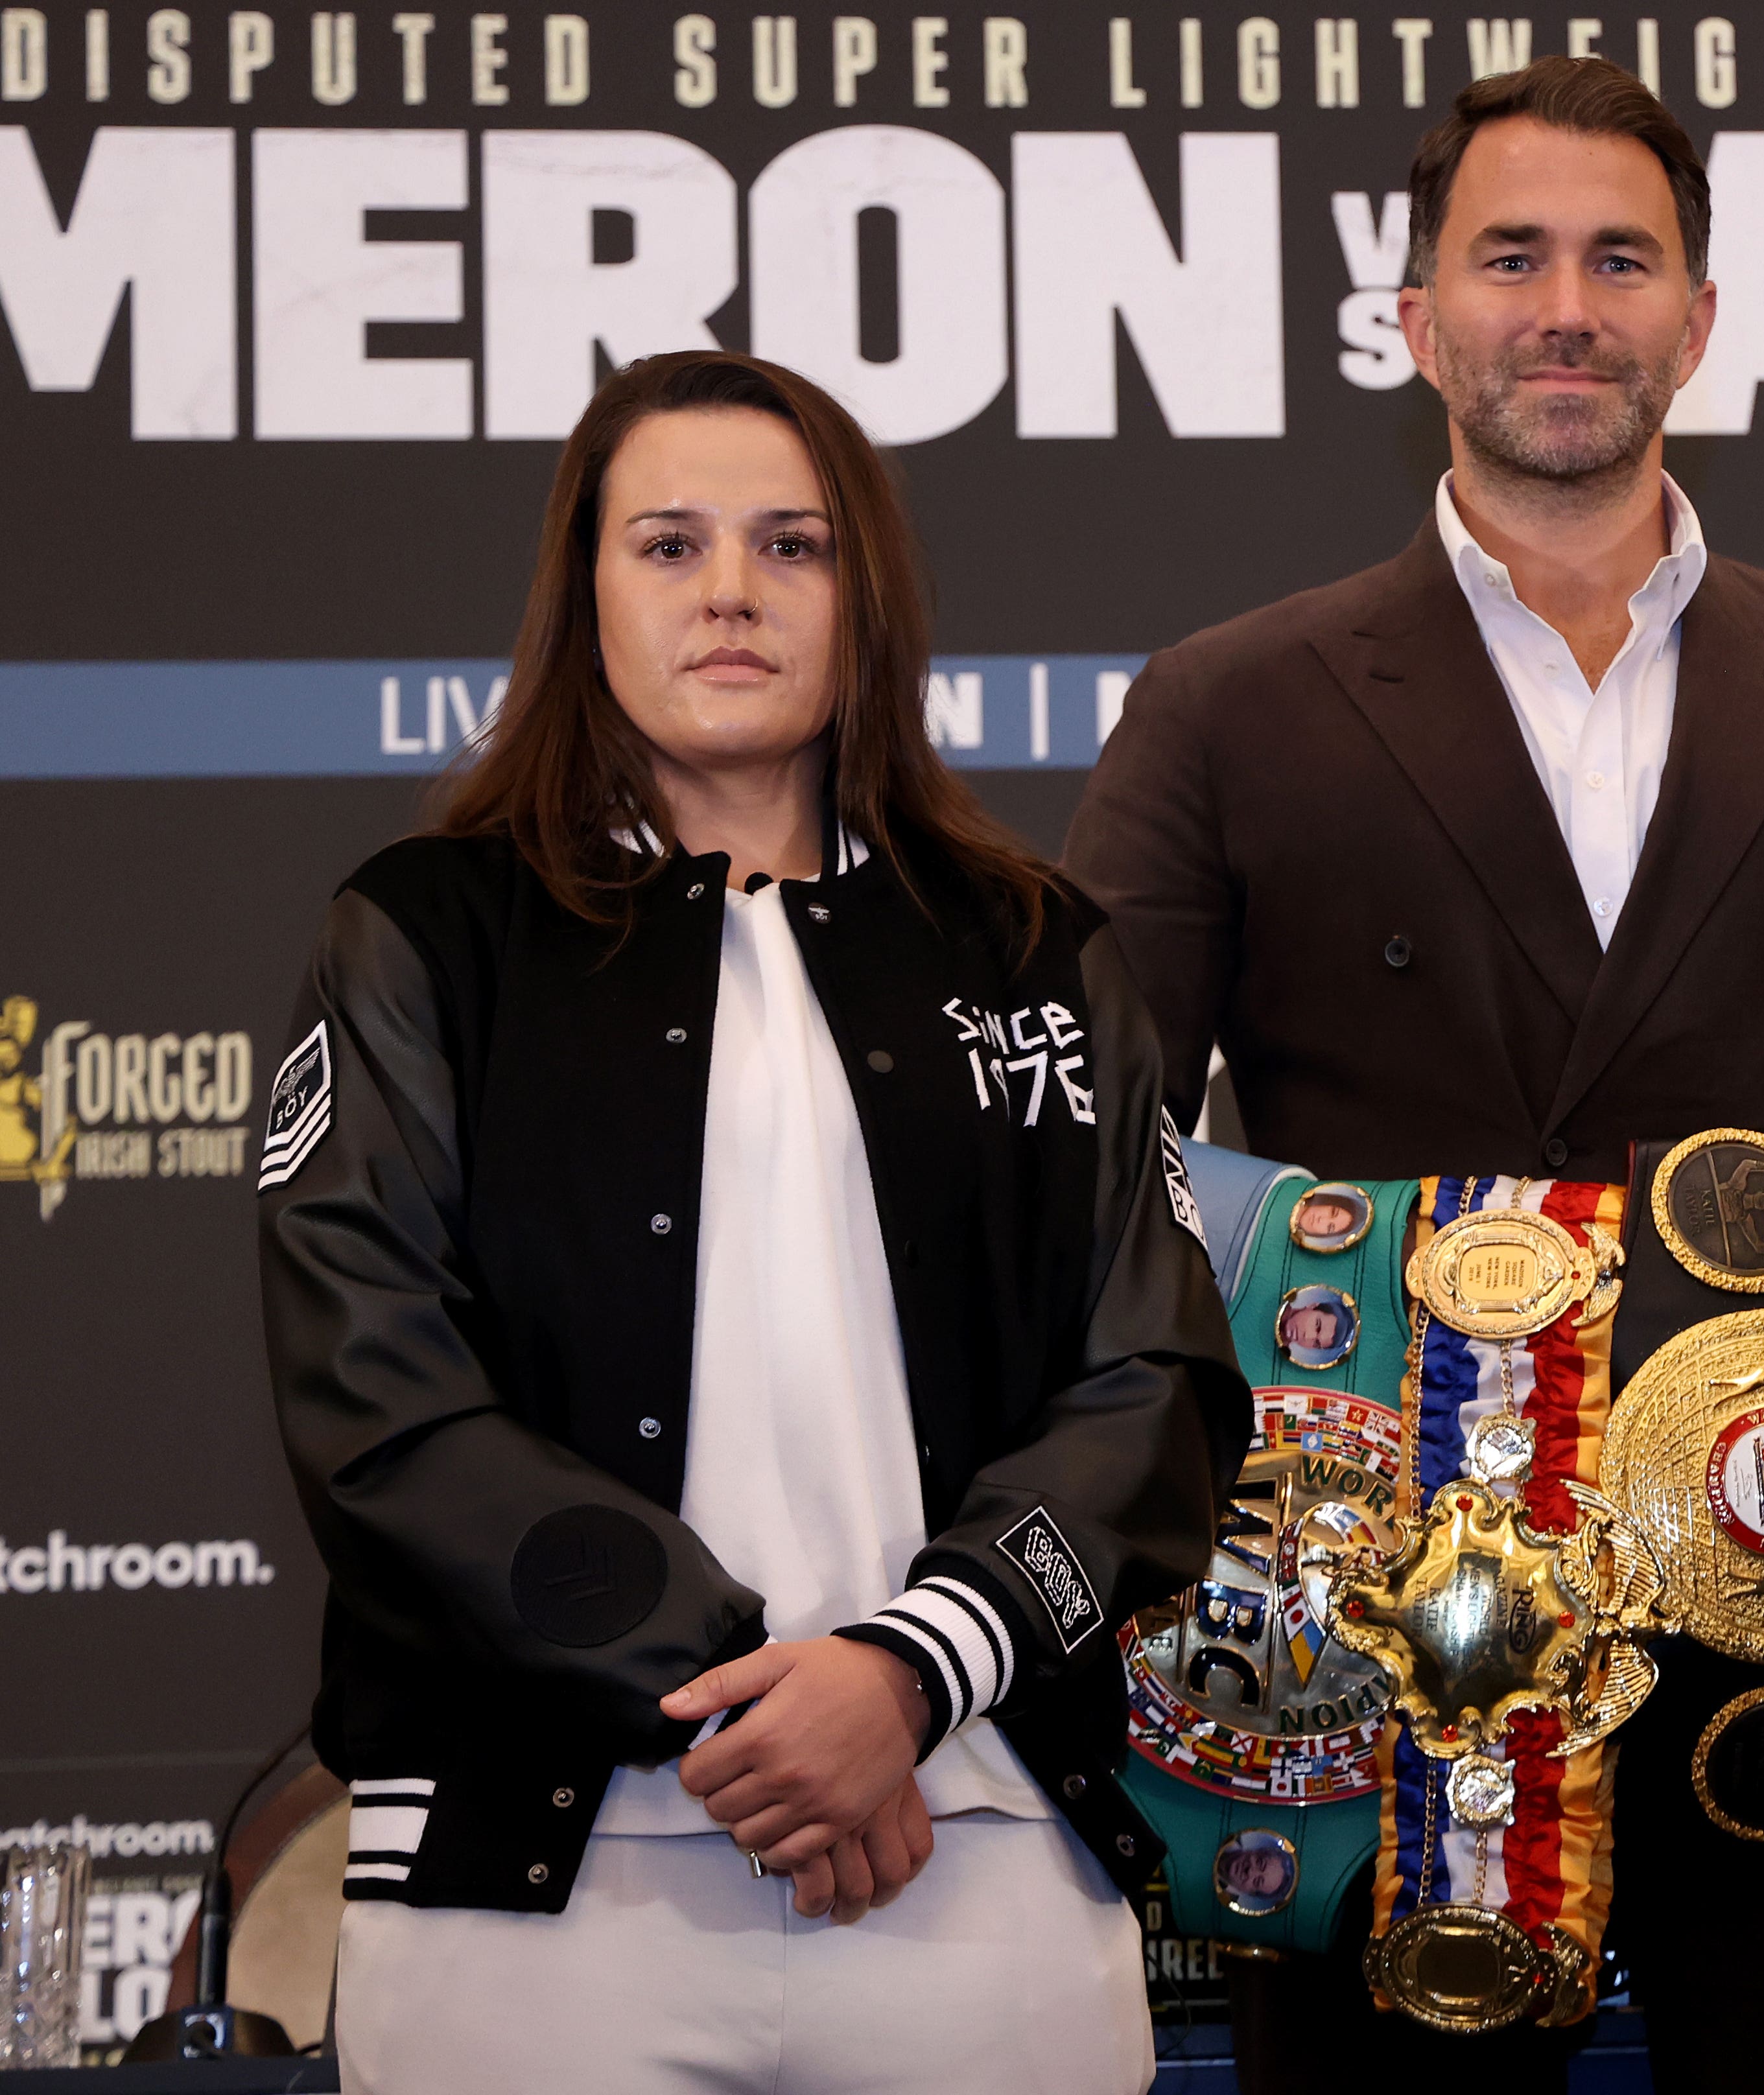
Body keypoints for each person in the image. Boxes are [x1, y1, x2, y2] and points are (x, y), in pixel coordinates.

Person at [1066, 51, 1764, 2095]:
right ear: (1416, 318)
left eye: (1624, 258)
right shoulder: (1228, 703)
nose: (1569, 306)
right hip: (1377, 1656)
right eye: (1511, 256)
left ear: (1699, 317)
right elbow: (1095, 1171)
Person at [259, 349, 1245, 2094]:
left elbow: (1154, 1381)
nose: (731, 590)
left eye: (793, 545)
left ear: (868, 595)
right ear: (585, 597)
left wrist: (907, 1679)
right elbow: (381, 1401)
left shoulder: (1039, 947)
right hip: (533, 1895)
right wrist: (763, 1702)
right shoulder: (422, 933)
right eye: (668, 545)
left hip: (983, 1857)